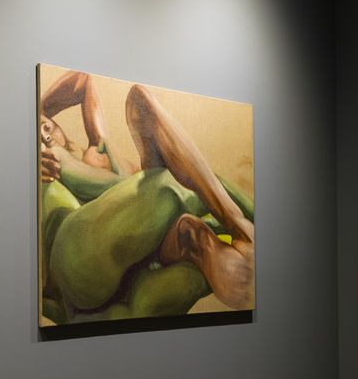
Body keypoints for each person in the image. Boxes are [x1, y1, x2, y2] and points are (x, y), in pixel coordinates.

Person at [37, 69, 254, 323]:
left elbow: (83, 80)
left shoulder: (98, 148)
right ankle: (237, 223)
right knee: (170, 185)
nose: (45, 135)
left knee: (139, 102)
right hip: (80, 251)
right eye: (38, 136)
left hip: (145, 246)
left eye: (46, 126)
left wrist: (38, 110)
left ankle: (191, 238)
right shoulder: (52, 163)